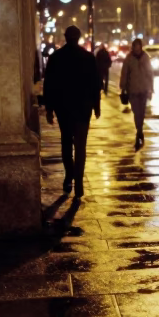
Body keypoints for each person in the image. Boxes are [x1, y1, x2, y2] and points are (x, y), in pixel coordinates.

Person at [42, 25, 101, 198]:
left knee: (66, 143)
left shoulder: (56, 58)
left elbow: (49, 85)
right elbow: (96, 84)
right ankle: (79, 183)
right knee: (81, 146)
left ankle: (69, 176)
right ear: (79, 37)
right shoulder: (88, 58)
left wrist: (49, 109)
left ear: (66, 37)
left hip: (64, 108)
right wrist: (96, 106)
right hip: (83, 109)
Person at [119, 38, 154, 150]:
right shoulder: (129, 58)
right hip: (133, 90)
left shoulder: (145, 57)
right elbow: (124, 73)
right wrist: (123, 87)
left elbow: (150, 73)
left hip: (143, 89)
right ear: (133, 47)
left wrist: (151, 88)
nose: (137, 49)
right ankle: (139, 131)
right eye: (136, 47)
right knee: (136, 112)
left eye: (139, 47)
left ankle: (139, 131)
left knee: (141, 112)